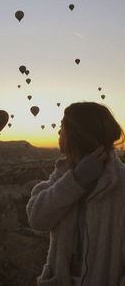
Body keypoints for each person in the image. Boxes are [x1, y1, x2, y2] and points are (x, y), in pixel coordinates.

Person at [26, 101, 125, 286]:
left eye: (63, 126)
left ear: (79, 133)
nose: (58, 132)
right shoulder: (63, 174)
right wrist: (76, 180)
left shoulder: (120, 185)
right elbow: (36, 219)